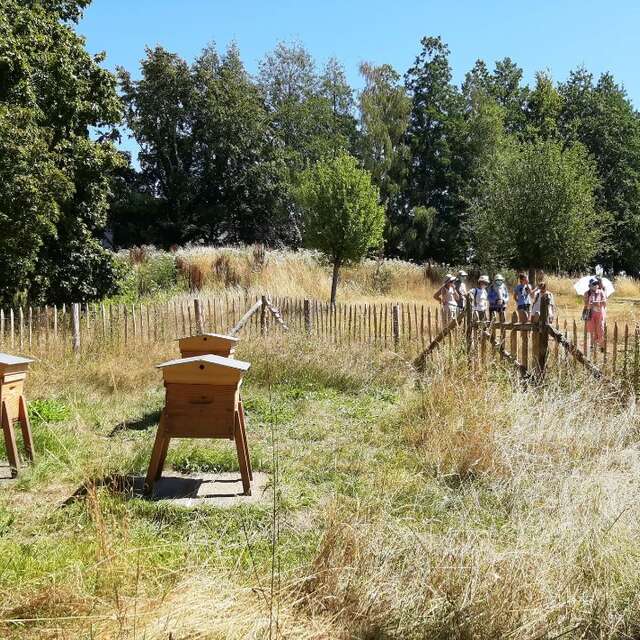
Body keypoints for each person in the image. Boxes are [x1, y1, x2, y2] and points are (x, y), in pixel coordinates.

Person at [583, 277, 607, 351]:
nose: (596, 285)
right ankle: (592, 346)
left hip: (600, 313)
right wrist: (589, 301)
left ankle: (601, 346)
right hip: (591, 313)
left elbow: (605, 303)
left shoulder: (601, 292)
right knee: (592, 329)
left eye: (597, 283)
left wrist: (596, 303)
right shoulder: (587, 293)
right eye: (593, 284)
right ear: (589, 285)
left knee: (600, 329)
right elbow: (586, 304)